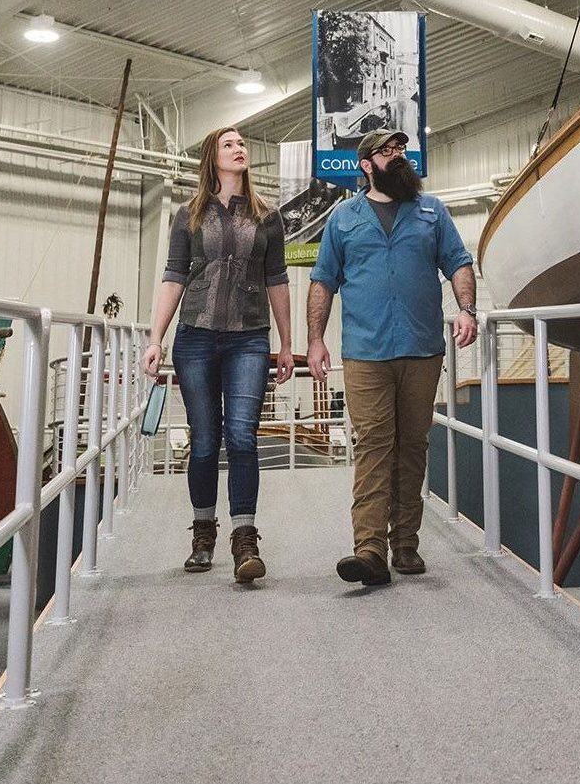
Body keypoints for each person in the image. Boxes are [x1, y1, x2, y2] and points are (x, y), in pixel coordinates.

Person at [307, 129, 477, 587]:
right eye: (387, 151)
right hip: (366, 352)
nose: (398, 156)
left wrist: (467, 309)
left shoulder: (431, 211)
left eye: (401, 149)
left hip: (422, 348)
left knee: (413, 446)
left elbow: (458, 262)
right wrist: (315, 340)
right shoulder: (343, 218)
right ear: (366, 165)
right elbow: (323, 281)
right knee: (374, 444)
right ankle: (369, 550)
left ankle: (405, 543)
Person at [143, 127, 295, 583]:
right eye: (229, 144)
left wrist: (287, 344)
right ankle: (203, 533)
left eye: (242, 143)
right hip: (196, 337)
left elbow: (277, 280)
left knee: (243, 437)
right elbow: (174, 276)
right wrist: (155, 338)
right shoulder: (188, 215)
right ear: (213, 156)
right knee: (205, 440)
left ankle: (245, 539)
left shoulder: (267, 216)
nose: (239, 148)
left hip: (249, 338)